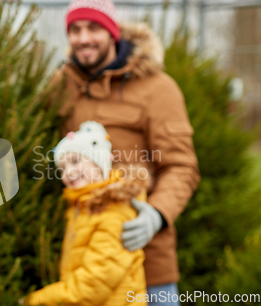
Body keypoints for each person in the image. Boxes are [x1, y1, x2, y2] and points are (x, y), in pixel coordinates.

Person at [48, 0, 201, 304]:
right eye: (75, 29)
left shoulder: (157, 88)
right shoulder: (62, 86)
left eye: (93, 27)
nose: (83, 38)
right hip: (82, 265)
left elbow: (182, 167)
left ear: (112, 32)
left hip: (147, 265)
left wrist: (156, 215)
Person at [24, 121, 147, 306]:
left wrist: (34, 300)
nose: (69, 172)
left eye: (75, 161)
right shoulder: (80, 207)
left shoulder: (114, 212)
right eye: (62, 168)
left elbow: (93, 285)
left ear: (99, 163)